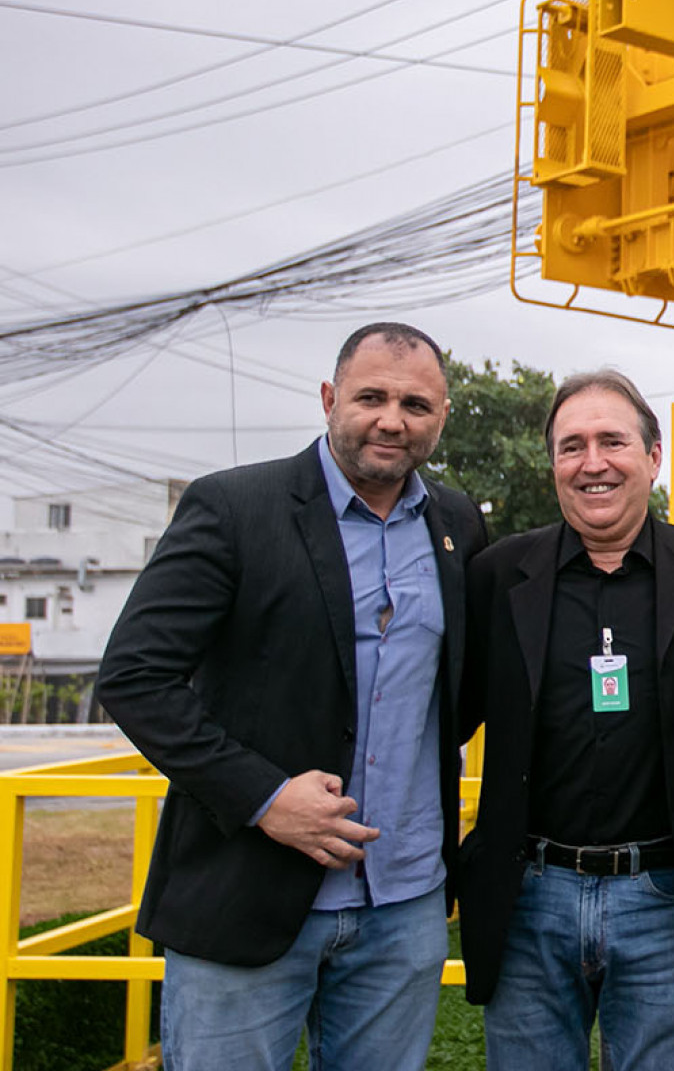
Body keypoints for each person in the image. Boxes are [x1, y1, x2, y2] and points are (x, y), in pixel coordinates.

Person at [96, 323, 487, 1071]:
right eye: (371, 397)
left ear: (440, 417)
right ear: (329, 398)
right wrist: (266, 797)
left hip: (403, 908)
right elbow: (134, 678)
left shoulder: (456, 524)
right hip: (246, 897)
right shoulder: (234, 508)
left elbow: (480, 669)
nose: (391, 420)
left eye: (416, 404)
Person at [455, 368, 674, 1071]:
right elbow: (450, 706)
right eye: (572, 446)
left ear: (654, 458)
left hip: (665, 896)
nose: (592, 463)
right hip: (528, 895)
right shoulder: (497, 575)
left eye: (612, 442)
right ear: (553, 464)